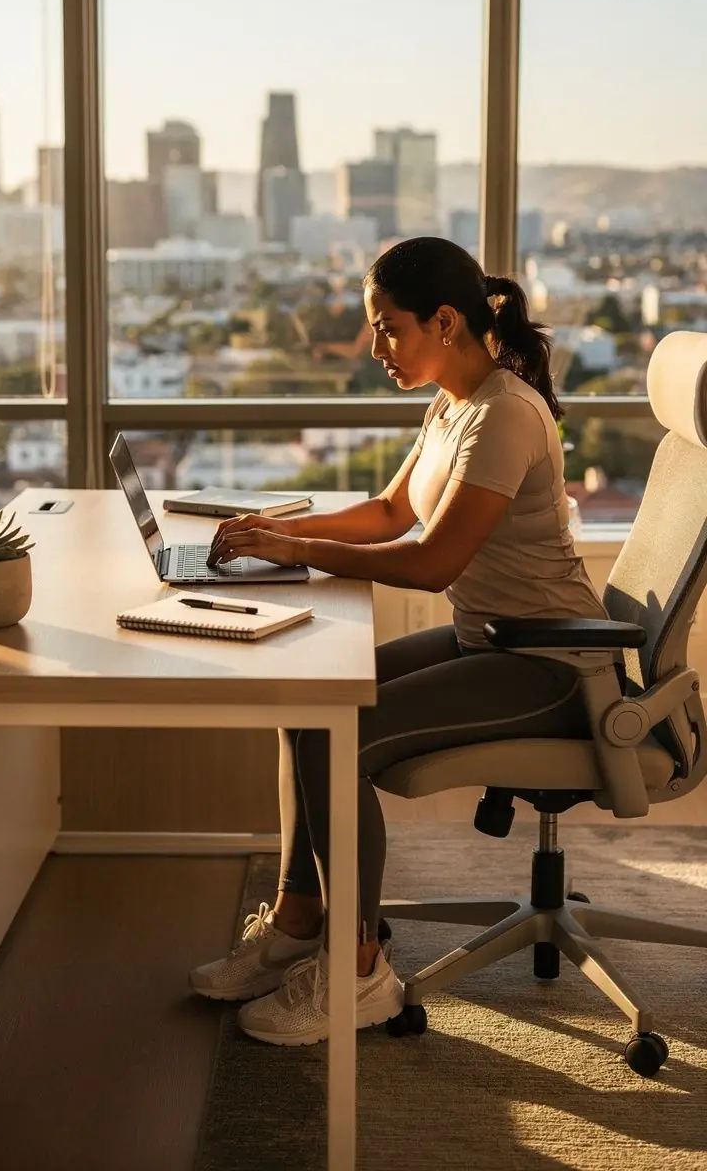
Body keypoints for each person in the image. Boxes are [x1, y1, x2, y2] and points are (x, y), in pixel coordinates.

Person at [188, 236, 610, 1048]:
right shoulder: (455, 403)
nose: (374, 346)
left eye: (387, 328)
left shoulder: (504, 415)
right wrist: (277, 530)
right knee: (306, 705)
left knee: (338, 740)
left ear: (444, 322)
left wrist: (299, 553)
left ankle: (359, 972)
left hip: (552, 663)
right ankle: (297, 925)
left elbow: (430, 561)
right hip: (488, 637)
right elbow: (391, 513)